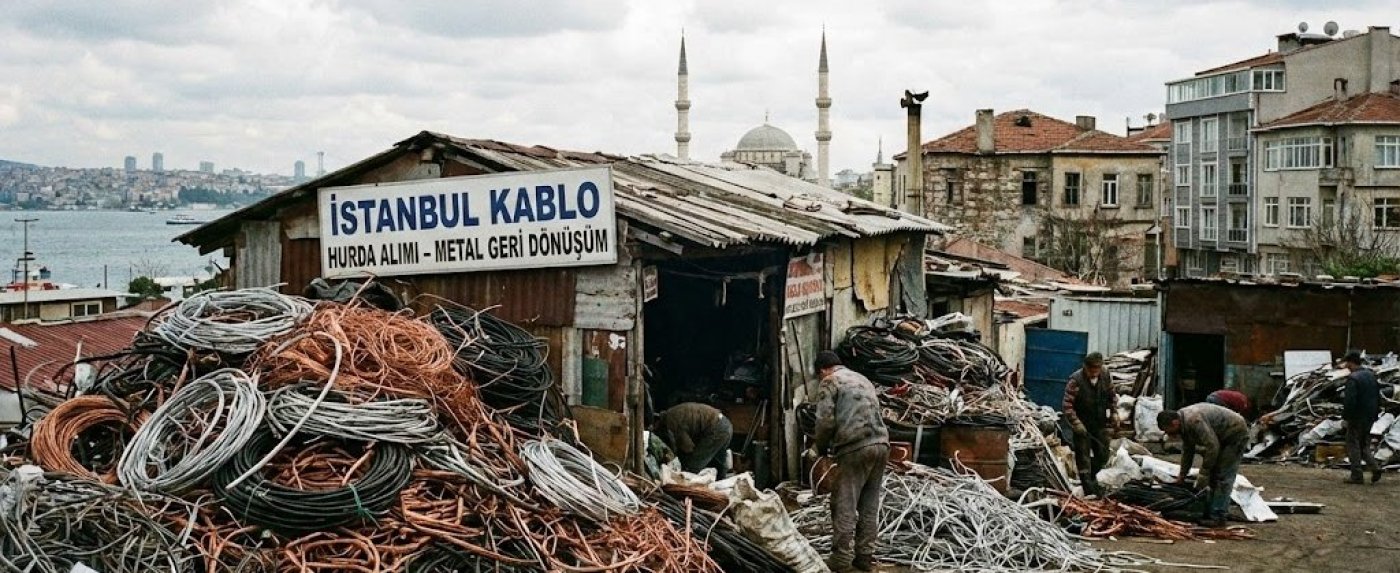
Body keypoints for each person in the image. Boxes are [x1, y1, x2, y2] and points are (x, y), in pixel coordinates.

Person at [812, 350, 889, 573]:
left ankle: (841, 559)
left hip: (855, 447)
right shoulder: (862, 379)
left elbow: (825, 421)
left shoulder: (830, 381)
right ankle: (864, 556)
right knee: (869, 503)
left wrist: (820, 448)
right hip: (882, 444)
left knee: (844, 502)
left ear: (823, 370)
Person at [1157, 403, 1248, 527]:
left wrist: (1204, 473)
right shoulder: (1182, 422)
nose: (1168, 434)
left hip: (1235, 434)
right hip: (1220, 435)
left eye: (1167, 430)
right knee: (1213, 475)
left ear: (1174, 423)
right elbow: (1188, 451)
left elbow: (1212, 447)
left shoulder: (1194, 420)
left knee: (1223, 476)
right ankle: (1210, 511)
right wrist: (1182, 476)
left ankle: (1218, 516)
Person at [1062, 352, 1116, 495]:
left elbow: (1112, 396)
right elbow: (1067, 405)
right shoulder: (1076, 380)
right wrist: (1076, 423)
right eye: (1091, 369)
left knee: (1103, 455)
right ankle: (1088, 489)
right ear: (1085, 367)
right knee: (1083, 458)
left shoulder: (1105, 375)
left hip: (1100, 423)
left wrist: (1114, 412)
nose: (1094, 373)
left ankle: (1094, 481)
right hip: (1082, 424)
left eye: (1097, 369)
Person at [654, 402, 732, 478]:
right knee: (718, 462)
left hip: (716, 428)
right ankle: (722, 480)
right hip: (725, 424)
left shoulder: (671, 421)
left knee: (693, 466)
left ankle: (685, 484)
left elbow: (688, 447)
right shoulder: (673, 412)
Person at [1340, 351, 1382, 484]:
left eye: (1347, 363)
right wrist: (1375, 414)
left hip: (1356, 417)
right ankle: (1375, 468)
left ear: (1350, 362)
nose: (1346, 366)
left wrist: (1346, 417)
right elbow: (1378, 396)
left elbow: (1350, 401)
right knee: (1364, 444)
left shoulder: (1353, 378)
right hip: (1370, 416)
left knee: (1353, 444)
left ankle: (1357, 475)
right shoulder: (1371, 375)